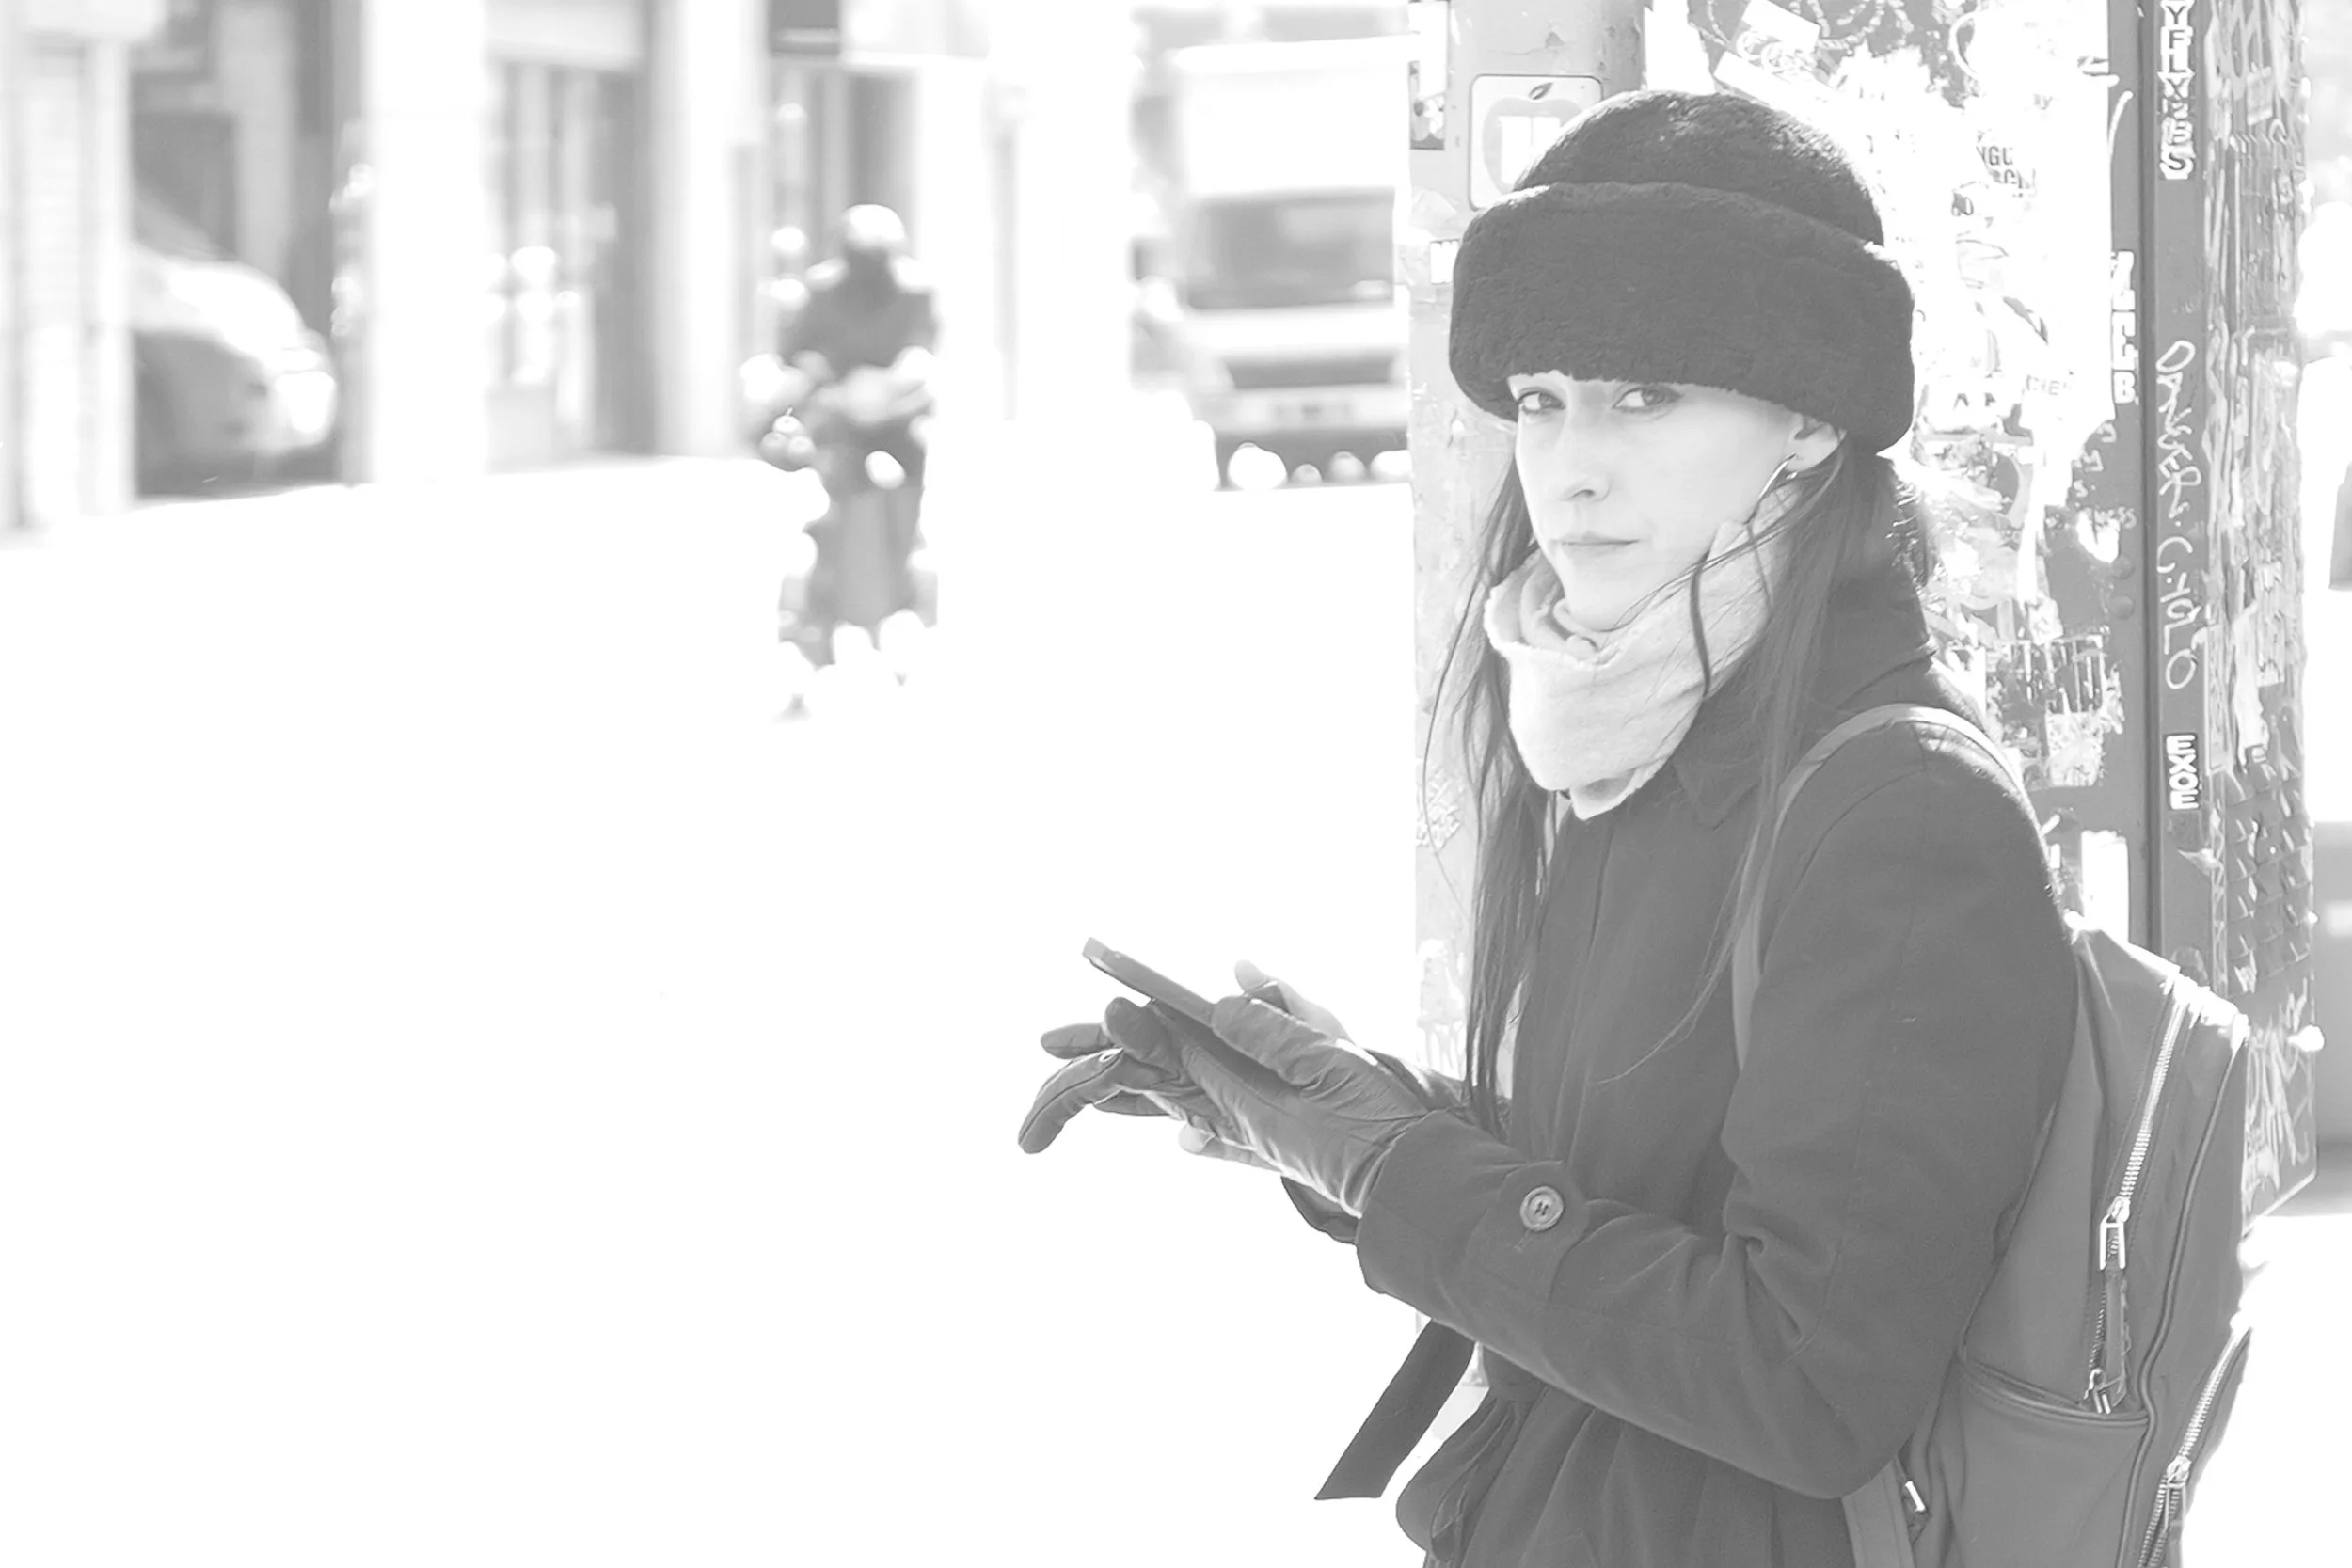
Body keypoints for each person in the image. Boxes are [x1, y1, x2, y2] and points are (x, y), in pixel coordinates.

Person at [1017, 90, 2079, 1568]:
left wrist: (1397, 1168)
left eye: (1646, 398)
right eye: (1540, 398)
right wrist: (1327, 1110)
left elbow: (1811, 1379)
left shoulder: (1899, 811)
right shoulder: (1631, 729)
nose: (1572, 465)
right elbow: (1629, 1190)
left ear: (1809, 418)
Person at [768, 204, 939, 671]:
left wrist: (892, 384)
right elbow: (794, 352)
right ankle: (823, 600)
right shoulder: (822, 291)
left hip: (898, 420)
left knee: (905, 495)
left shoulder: (914, 290)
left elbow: (922, 350)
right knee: (835, 504)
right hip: (840, 423)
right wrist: (827, 383)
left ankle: (901, 579)